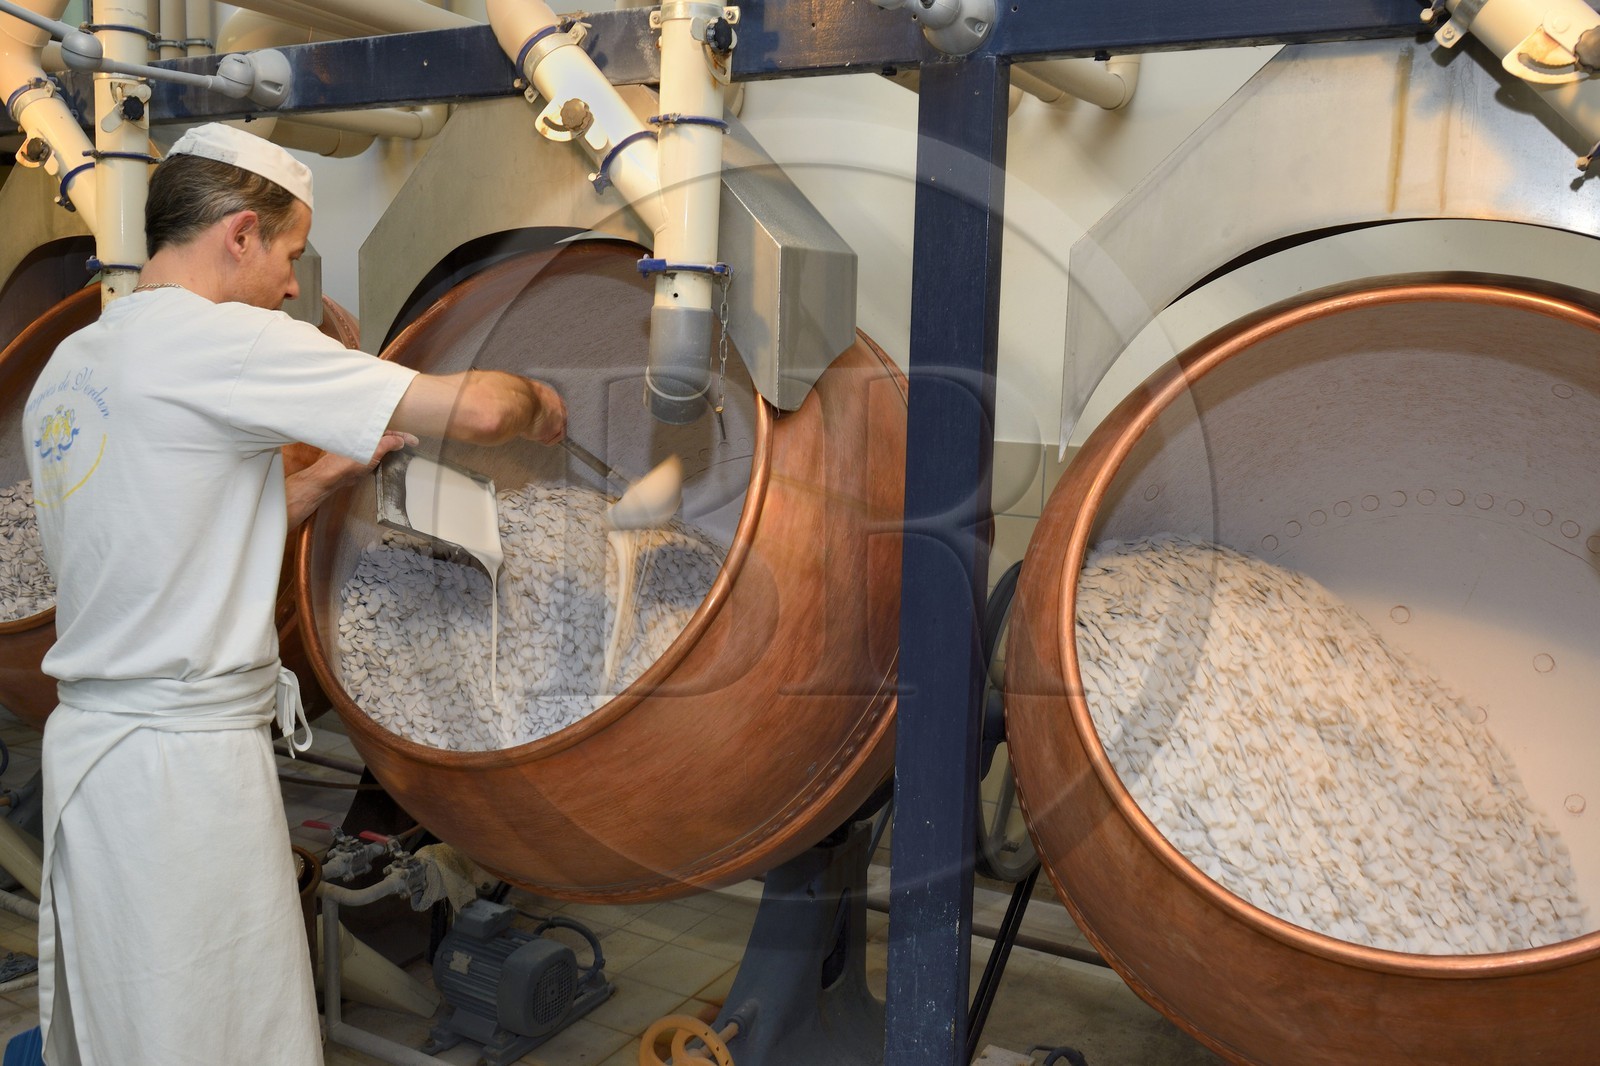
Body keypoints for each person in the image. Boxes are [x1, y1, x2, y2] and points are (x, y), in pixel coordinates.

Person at [22, 122, 566, 1066]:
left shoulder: (76, 365)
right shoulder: (226, 341)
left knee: (138, 1027)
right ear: (239, 233)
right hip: (179, 776)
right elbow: (479, 410)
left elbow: (170, 531)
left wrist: (326, 481)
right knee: (208, 1032)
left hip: (96, 759)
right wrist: (539, 403)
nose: (290, 285)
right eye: (290, 254)